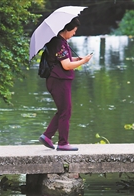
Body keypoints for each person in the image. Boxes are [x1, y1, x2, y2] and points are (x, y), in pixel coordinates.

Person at [38, 17, 93, 152]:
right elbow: (67, 65)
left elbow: (63, 60)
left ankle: (47, 136)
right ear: (67, 29)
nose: (74, 33)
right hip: (59, 81)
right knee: (65, 111)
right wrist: (83, 61)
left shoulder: (60, 42)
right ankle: (63, 143)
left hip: (59, 80)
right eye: (73, 31)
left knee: (64, 110)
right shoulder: (59, 44)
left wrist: (77, 59)